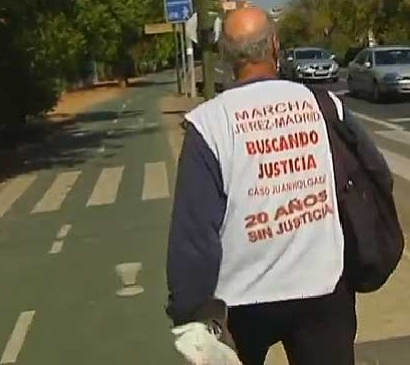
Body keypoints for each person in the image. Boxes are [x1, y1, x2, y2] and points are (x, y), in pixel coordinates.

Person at [166, 6, 375, 365]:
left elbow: (195, 232)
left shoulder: (208, 124)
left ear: (226, 56)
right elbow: (374, 174)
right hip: (323, 288)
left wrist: (189, 310)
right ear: (275, 46)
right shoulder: (322, 105)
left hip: (242, 301)